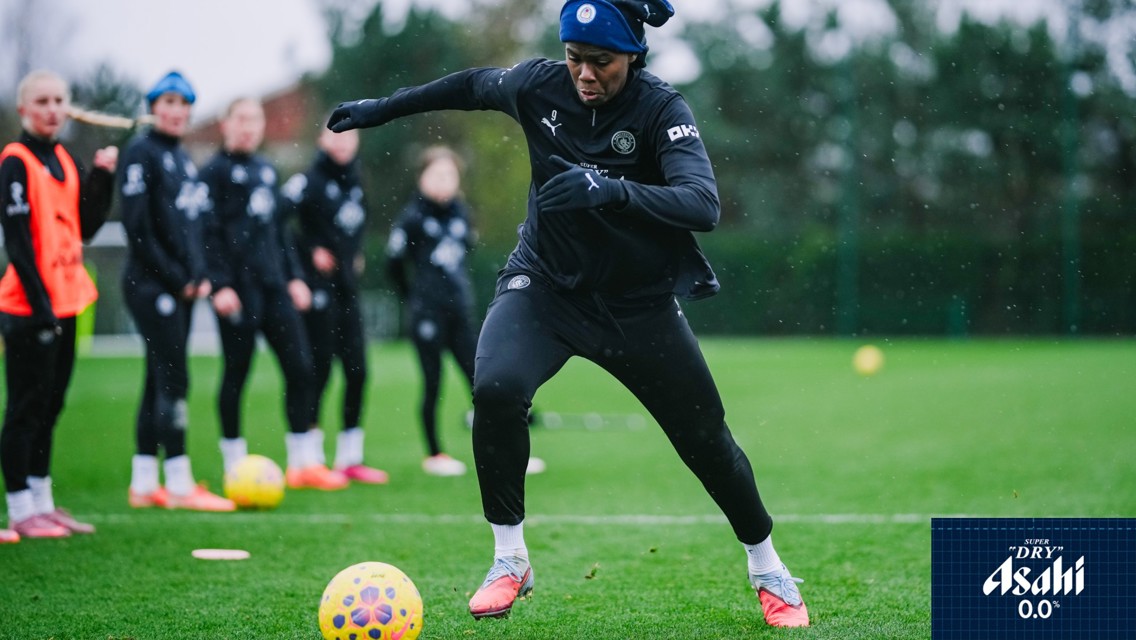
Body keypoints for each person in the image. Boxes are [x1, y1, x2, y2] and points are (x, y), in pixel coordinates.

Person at [327, 0, 810, 627]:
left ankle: (768, 568)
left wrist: (610, 188)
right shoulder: (540, 85)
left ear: (633, 56)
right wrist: (382, 108)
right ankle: (510, 559)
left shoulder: (662, 109)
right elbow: (471, 86)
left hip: (637, 306)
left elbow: (701, 203)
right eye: (575, 58)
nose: (584, 73)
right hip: (545, 287)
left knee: (705, 440)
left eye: (601, 62)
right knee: (496, 389)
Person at [201, 97, 346, 491]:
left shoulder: (266, 169)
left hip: (274, 287)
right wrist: (219, 284)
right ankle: (234, 462)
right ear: (225, 123)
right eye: (241, 119)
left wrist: (295, 277)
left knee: (301, 367)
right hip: (237, 291)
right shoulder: (212, 173)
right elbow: (207, 233)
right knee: (236, 373)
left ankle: (302, 462)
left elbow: (279, 232)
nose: (248, 127)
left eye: (254, 120)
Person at [0, 70, 118, 541]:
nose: (52, 109)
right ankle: (19, 508)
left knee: (51, 405)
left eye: (58, 101)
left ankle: (43, 503)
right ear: (25, 109)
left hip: (66, 302)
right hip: (29, 307)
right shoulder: (15, 161)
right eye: (42, 101)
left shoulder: (66, 159)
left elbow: (85, 226)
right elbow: (18, 242)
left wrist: (104, 176)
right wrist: (41, 303)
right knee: (24, 408)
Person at [119, 70, 235, 512]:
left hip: (181, 288)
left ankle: (145, 482)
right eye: (167, 102)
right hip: (152, 286)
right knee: (174, 378)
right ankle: (181, 484)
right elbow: (138, 229)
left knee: (157, 378)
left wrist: (200, 273)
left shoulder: (182, 158)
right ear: (153, 108)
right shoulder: (140, 153)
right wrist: (179, 278)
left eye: (183, 104)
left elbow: (193, 228)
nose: (176, 111)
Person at [279, 125, 387, 485]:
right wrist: (309, 253)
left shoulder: (356, 180)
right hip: (316, 291)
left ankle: (350, 457)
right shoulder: (307, 180)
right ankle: (310, 457)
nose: (342, 142)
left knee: (358, 371)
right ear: (322, 140)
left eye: (349, 136)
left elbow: (357, 224)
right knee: (317, 371)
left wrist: (353, 254)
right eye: (335, 135)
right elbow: (277, 221)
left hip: (346, 289)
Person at [384, 146, 479, 477]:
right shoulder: (412, 218)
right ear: (422, 177)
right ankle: (435, 454)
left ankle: (500, 452)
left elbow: (467, 250)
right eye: (436, 175)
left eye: (449, 175)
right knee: (433, 382)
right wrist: (414, 298)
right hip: (427, 314)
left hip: (460, 310)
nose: (443, 182)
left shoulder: (461, 213)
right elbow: (393, 263)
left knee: (481, 381)